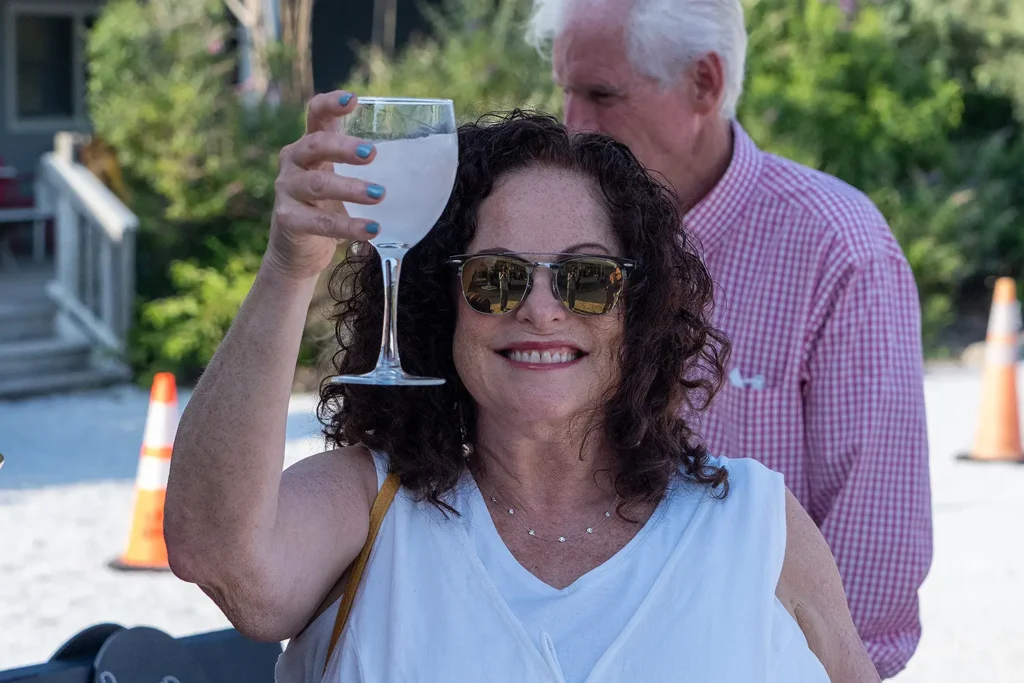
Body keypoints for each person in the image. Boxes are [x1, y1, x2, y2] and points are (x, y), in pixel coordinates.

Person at [163, 98, 880, 683]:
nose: (541, 308)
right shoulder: (370, 507)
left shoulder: (756, 524)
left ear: (639, 310)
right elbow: (217, 554)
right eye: (497, 277)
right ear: (442, 307)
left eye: (587, 278)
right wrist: (290, 266)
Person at [525, 0, 933, 677]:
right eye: (566, 90)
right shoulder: (546, 235)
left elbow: (873, 559)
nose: (573, 123)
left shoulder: (838, 248)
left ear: (705, 84)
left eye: (600, 94)